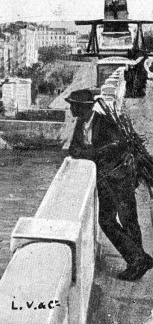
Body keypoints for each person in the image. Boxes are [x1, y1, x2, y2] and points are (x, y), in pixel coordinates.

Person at [66, 88, 153, 281]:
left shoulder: (104, 123)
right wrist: (93, 152)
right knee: (106, 220)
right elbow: (73, 149)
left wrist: (90, 153)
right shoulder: (80, 123)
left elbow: (118, 146)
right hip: (105, 181)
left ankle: (136, 263)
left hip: (120, 179)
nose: (71, 108)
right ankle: (139, 259)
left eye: (73, 105)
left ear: (83, 107)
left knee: (128, 221)